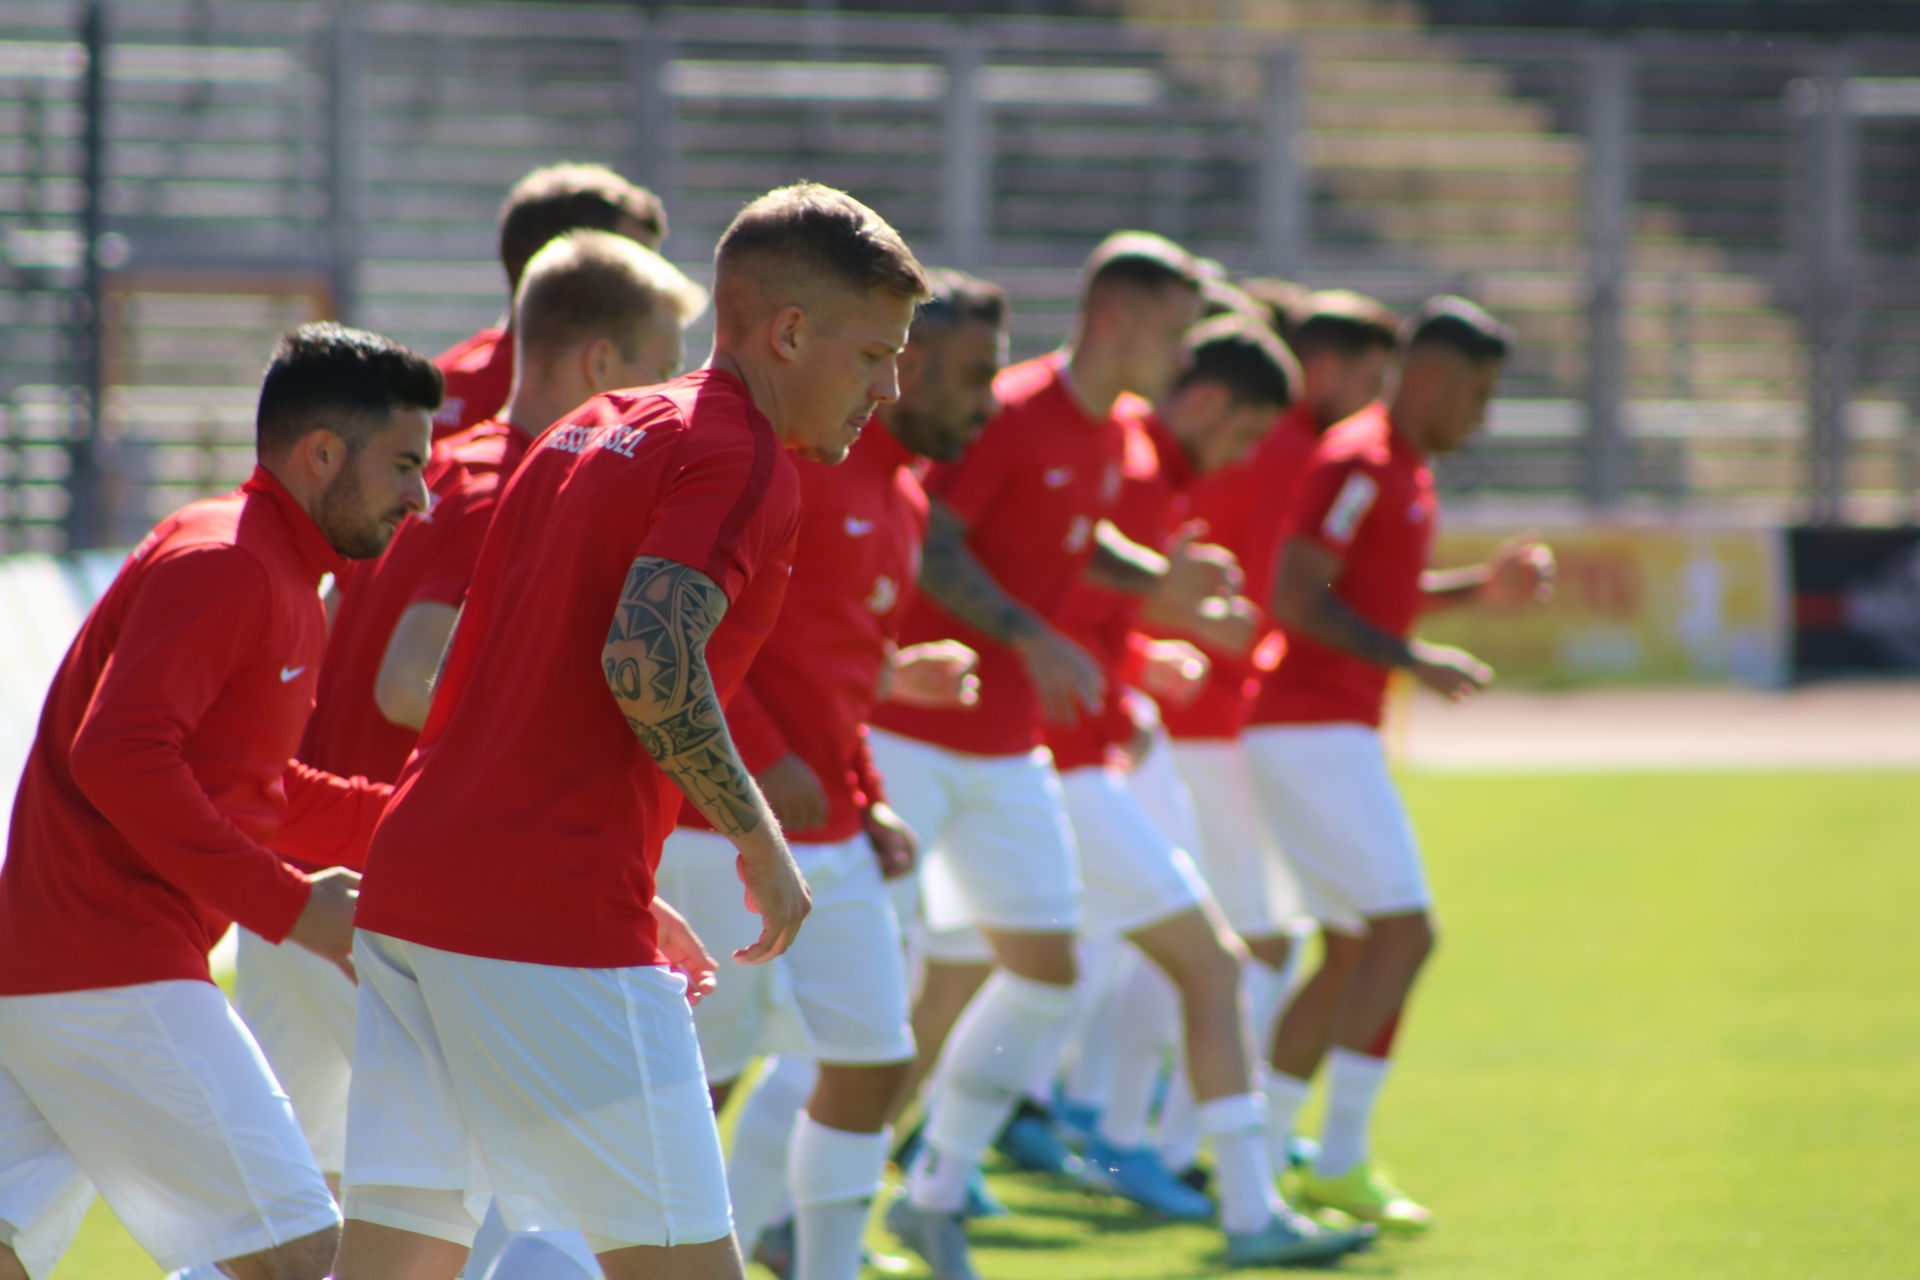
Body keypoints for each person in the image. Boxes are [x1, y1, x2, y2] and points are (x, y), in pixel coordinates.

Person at [331, 183, 929, 1280]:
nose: (888, 387)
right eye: (874, 355)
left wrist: (634, 878)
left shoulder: (586, 426)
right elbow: (646, 663)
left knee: (395, 1263)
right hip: (544, 908)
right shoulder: (740, 456)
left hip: (420, 886)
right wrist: (758, 839)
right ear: (791, 331)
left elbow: (513, 686)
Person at [868, 232, 1348, 1280]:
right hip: (937, 739)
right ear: (1117, 320)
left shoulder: (1106, 431)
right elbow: (939, 537)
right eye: (1176, 334)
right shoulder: (1015, 409)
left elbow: (1068, 540)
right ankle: (1221, 1195)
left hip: (1015, 751)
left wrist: (1155, 585)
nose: (1185, 359)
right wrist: (1041, 635)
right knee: (863, 1006)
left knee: (999, 982)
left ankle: (918, 1187)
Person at [235, 232, 705, 1218]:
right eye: (666, 368)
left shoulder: (437, 467)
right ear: (602, 364)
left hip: (309, 875)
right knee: (546, 1206)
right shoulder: (511, 491)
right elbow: (411, 683)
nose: (675, 397)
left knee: (307, 1232)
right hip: (386, 896)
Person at [0, 324, 441, 1280]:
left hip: (63, 969)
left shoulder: (266, 564)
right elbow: (120, 758)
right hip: (112, 967)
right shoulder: (230, 562)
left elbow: (254, 785)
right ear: (322, 453)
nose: (421, 495)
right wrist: (292, 908)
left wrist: (440, 829)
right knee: (301, 1258)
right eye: (405, 464)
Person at [654, 268, 1005, 1280]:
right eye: (971, 375)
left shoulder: (904, 491)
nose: (986, 403)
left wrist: (869, 791)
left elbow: (836, 670)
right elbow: (701, 645)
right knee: (697, 1083)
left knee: (874, 1057)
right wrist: (766, 759)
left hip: (835, 826)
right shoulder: (791, 470)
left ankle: (823, 1264)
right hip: (720, 826)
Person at [1022, 314, 1371, 1267]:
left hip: (1081, 752)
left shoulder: (1136, 458)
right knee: (1210, 957)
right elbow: (1044, 589)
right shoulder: (1125, 457)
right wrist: (1155, 643)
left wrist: (1139, 659)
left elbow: (1074, 604)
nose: (1248, 456)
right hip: (1070, 758)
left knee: (1027, 974)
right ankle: (1156, 1154)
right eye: (1247, 434)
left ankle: (971, 1161)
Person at [1249, 297, 1554, 1233]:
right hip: (1311, 728)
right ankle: (1337, 1158)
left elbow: (1367, 591)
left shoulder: (1400, 466)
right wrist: (1412, 660)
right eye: (1475, 395)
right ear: (1427, 378)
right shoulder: (1360, 458)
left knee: (1352, 950)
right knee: (1406, 934)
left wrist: (1477, 591)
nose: (1482, 417)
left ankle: (1260, 1160)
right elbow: (1297, 594)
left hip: (1315, 730)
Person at [1149, 290, 1405, 1171]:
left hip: (1192, 706)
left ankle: (1166, 1128)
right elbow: (1270, 591)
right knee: (1239, 942)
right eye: (1369, 378)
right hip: (1214, 713)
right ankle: (1184, 1139)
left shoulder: (1252, 444)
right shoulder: (1295, 450)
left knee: (1175, 941)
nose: (1374, 400)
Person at [434, 162, 668, 437]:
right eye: (631, 270)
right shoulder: (542, 396)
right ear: (559, 267)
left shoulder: (443, 376)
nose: (653, 290)